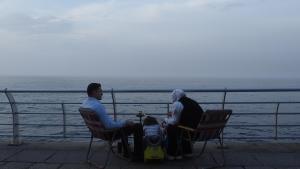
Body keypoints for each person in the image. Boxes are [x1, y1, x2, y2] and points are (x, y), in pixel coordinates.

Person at [81, 83, 143, 158]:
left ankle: (127, 152)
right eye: (100, 91)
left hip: (96, 132)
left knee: (123, 124)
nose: (102, 93)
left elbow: (107, 123)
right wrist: (125, 123)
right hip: (107, 134)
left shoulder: (84, 104)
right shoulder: (97, 106)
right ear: (94, 92)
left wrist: (123, 123)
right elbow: (109, 125)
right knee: (138, 126)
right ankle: (138, 155)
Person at [165, 89, 204, 160]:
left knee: (171, 127)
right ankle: (187, 152)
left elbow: (174, 121)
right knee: (185, 125)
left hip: (191, 133)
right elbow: (189, 117)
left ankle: (173, 154)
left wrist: (166, 120)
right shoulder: (193, 102)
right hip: (202, 133)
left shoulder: (178, 104)